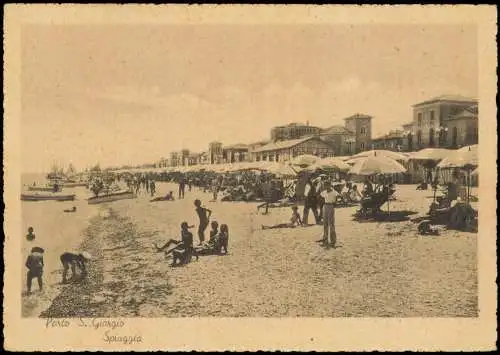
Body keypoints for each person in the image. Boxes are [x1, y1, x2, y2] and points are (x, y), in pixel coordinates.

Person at [320, 182, 339, 248]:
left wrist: (335, 202)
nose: (326, 186)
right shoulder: (324, 192)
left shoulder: (334, 192)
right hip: (325, 206)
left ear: (330, 185)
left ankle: (333, 240)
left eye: (327, 185)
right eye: (325, 185)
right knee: (325, 223)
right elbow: (320, 196)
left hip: (331, 206)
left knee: (331, 223)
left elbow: (338, 197)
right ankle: (325, 238)